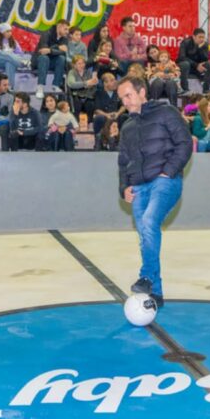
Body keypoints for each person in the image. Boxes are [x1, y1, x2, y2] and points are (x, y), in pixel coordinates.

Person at [117, 76, 193, 309]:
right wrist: (124, 187)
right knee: (145, 235)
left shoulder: (166, 113)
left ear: (142, 92)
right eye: (122, 98)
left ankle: (146, 277)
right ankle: (156, 292)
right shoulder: (127, 126)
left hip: (165, 181)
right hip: (139, 186)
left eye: (128, 95)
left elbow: (185, 143)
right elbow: (123, 162)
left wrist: (168, 171)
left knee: (149, 221)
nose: (125, 102)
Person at [35, 20, 70, 96]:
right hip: (39, 61)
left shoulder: (65, 39)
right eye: (65, 29)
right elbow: (43, 51)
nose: (67, 32)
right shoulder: (46, 34)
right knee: (44, 58)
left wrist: (50, 50)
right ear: (59, 26)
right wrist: (57, 48)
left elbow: (63, 52)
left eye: (68, 29)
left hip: (52, 61)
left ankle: (56, 85)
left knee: (61, 58)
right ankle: (40, 87)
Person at [0, 24, 29, 88]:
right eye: (7, 31)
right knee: (5, 54)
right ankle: (22, 63)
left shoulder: (14, 42)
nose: (10, 33)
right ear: (2, 32)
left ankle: (9, 87)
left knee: (9, 63)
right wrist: (5, 53)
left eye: (10, 31)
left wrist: (11, 55)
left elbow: (20, 54)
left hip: (11, 61)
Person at [178, 28, 210, 95]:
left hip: (197, 67)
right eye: (200, 37)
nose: (202, 39)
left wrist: (200, 48)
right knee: (185, 64)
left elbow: (205, 59)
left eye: (203, 37)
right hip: (187, 66)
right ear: (194, 37)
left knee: (208, 64)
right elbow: (182, 57)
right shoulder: (185, 42)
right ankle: (185, 89)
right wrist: (196, 65)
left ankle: (206, 89)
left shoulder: (204, 44)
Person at [92, 73, 122, 149]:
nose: (115, 82)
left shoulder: (119, 92)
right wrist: (106, 115)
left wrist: (118, 113)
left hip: (116, 115)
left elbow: (124, 105)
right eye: (112, 80)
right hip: (105, 115)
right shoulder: (99, 93)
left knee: (125, 117)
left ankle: (120, 142)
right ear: (105, 83)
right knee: (99, 118)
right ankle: (99, 142)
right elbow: (97, 109)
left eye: (114, 80)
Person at [65, 55, 99, 120]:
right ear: (74, 65)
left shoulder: (88, 72)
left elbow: (93, 85)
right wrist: (86, 83)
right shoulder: (72, 72)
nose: (81, 65)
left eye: (83, 63)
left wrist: (83, 85)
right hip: (76, 95)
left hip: (88, 95)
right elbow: (72, 84)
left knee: (90, 104)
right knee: (76, 104)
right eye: (79, 63)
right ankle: (76, 123)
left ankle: (90, 123)